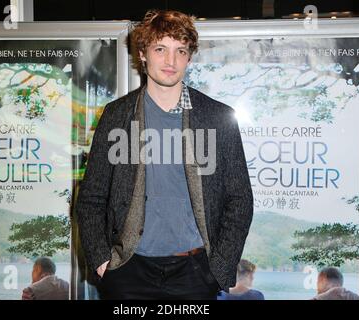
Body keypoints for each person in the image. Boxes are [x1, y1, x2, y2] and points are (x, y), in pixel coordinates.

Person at [76, 9, 253, 300]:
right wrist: (102, 263)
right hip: (127, 271)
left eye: (180, 51)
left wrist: (218, 266)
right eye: (161, 49)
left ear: (189, 57)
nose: (171, 61)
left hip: (195, 273)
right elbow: (92, 198)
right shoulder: (116, 116)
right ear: (143, 54)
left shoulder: (219, 117)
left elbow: (240, 200)